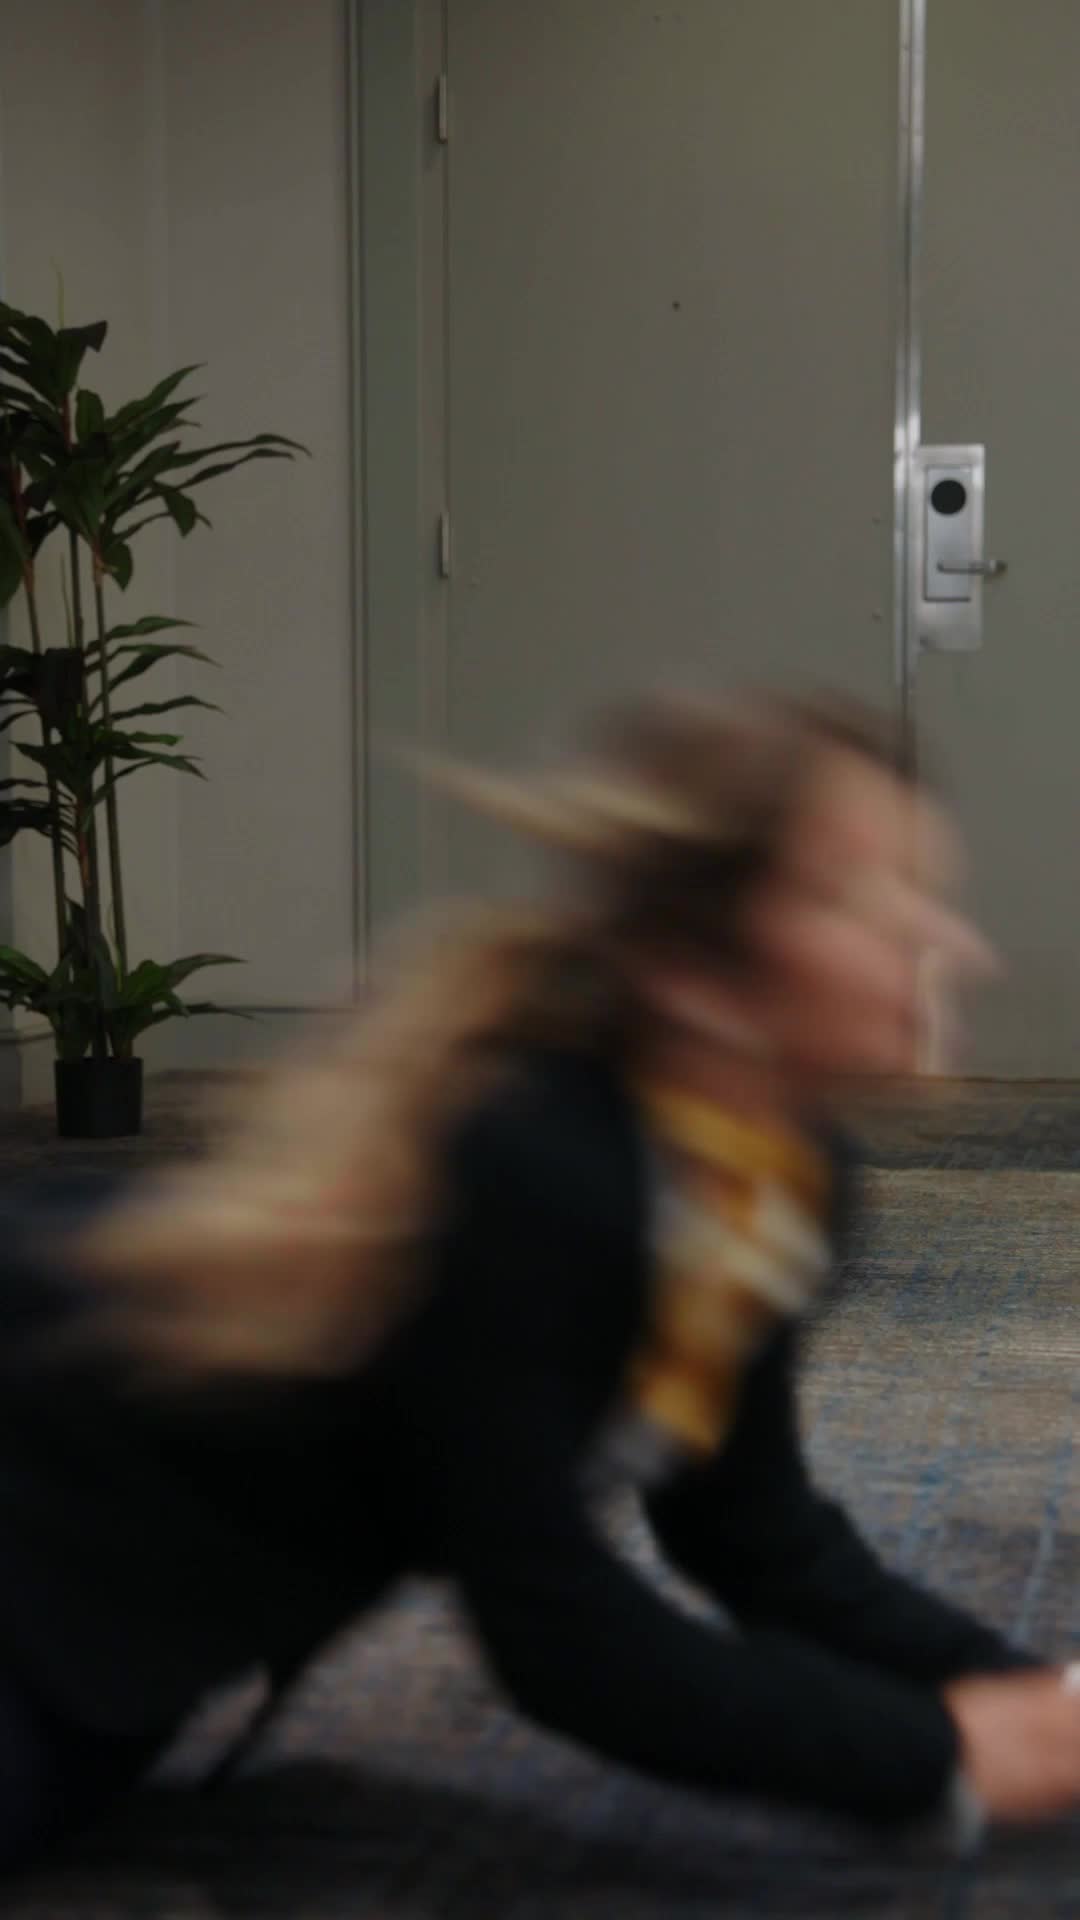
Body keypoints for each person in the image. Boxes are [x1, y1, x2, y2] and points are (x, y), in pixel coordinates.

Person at [0, 689, 1077, 1872]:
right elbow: (558, 1629)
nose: (946, 944)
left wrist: (1037, 1700)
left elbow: (754, 1540)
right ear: (691, 971)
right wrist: (932, 1753)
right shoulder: (537, 1169)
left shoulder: (777, 1183)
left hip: (128, 1621)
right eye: (860, 898)